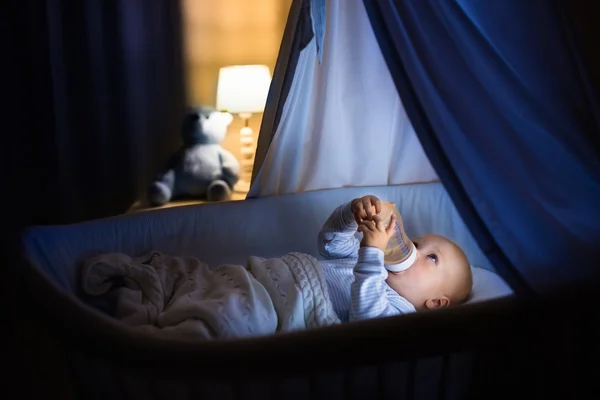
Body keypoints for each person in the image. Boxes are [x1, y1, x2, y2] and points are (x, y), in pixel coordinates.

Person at [318, 195, 473, 322]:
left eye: (432, 258)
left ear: (436, 302)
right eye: (415, 244)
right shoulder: (364, 259)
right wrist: (352, 213)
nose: (414, 251)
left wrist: (372, 252)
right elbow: (330, 244)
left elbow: (367, 319)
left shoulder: (399, 312)